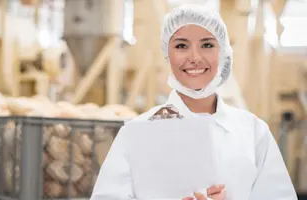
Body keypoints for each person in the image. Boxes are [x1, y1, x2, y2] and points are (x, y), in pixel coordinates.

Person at [90, 4, 298, 200]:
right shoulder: (136, 134)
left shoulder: (253, 133)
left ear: (223, 53)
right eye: (181, 45)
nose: (194, 57)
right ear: (167, 54)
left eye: (207, 45)